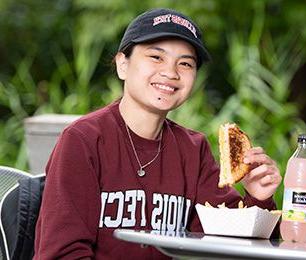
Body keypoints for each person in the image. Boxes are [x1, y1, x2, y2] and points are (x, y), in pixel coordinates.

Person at [34, 8, 281, 259]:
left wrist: (258, 198)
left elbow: (228, 246)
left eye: (185, 63)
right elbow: (62, 253)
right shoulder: (83, 140)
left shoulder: (193, 149)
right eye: (156, 57)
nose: (171, 72)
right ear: (123, 64)